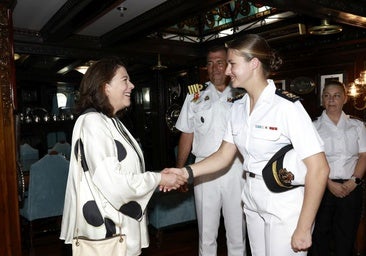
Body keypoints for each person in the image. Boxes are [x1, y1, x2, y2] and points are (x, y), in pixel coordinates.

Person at [162, 34, 330, 256]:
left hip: (283, 202)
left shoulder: (287, 107)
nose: (227, 71)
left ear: (253, 64)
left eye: (232, 64)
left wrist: (304, 227)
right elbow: (223, 155)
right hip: (251, 198)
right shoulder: (239, 107)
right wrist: (184, 172)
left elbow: (319, 169)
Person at [60, 57, 185, 256]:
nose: (132, 85)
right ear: (105, 86)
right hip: (109, 232)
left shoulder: (110, 120)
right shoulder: (93, 122)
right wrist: (159, 178)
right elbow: (114, 182)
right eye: (125, 80)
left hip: (117, 227)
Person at [175, 45, 247, 255]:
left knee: (237, 233)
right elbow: (187, 133)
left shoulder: (243, 94)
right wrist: (181, 170)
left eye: (220, 62)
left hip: (236, 168)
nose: (214, 67)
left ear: (229, 65)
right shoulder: (194, 96)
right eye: (209, 63)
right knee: (206, 234)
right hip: (203, 169)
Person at [310, 80, 366, 256]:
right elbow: (310, 160)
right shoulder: (313, 126)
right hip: (322, 187)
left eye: (336, 96)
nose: (331, 100)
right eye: (327, 96)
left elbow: (364, 155)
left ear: (345, 98)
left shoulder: (357, 125)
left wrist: (354, 181)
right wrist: (327, 183)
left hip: (352, 187)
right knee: (320, 235)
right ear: (322, 100)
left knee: (346, 236)